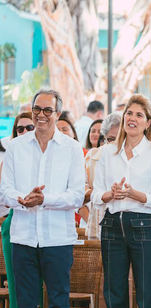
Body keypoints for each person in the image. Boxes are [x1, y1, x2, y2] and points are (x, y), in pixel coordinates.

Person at [0, 89, 85, 307]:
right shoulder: (15, 147)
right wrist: (22, 198)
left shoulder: (72, 149)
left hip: (57, 239)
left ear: (58, 114)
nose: (41, 115)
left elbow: (76, 196)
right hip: (23, 239)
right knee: (26, 301)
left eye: (48, 110)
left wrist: (44, 199)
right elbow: (4, 191)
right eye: (37, 109)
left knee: (58, 299)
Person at [92, 95, 151, 307]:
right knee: (114, 292)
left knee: (146, 292)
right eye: (129, 113)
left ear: (148, 122)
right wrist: (111, 194)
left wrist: (136, 194)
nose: (132, 118)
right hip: (112, 224)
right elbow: (96, 195)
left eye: (139, 115)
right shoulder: (107, 152)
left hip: (143, 225)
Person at [1, 111, 40, 307]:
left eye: (29, 127)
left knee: (43, 288)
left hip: (45, 226)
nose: (24, 131)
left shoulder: (47, 155)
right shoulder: (9, 159)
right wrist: (20, 200)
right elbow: (3, 197)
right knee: (17, 286)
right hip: (16, 222)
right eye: (20, 129)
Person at [85, 112, 122, 240]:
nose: (116, 143)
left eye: (120, 137)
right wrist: (99, 194)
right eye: (111, 139)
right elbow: (81, 188)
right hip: (98, 222)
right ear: (105, 138)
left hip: (126, 225)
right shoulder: (93, 156)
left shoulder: (134, 156)